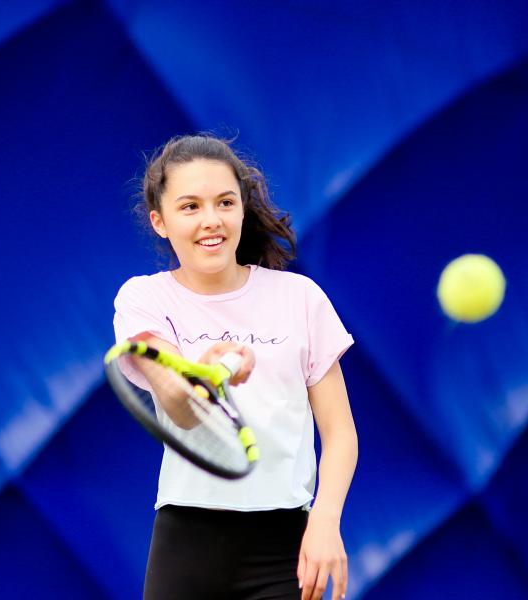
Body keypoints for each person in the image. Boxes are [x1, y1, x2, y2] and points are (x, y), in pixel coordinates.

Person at [112, 133, 358, 600]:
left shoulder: (300, 297)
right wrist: (199, 377)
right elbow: (180, 409)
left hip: (286, 548)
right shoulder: (142, 299)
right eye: (190, 207)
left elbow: (341, 432)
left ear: (242, 209)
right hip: (187, 543)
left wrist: (325, 522)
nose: (211, 220)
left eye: (225, 202)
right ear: (159, 221)